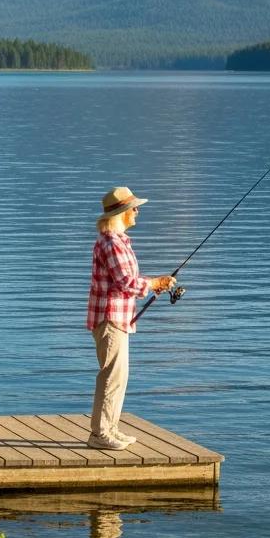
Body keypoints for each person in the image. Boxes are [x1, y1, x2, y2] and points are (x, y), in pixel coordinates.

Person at [86, 187, 175, 451]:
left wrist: (154, 284)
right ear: (122, 213)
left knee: (119, 376)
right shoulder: (112, 243)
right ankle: (100, 433)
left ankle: (110, 428)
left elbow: (128, 281)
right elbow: (125, 282)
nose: (137, 211)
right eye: (133, 208)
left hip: (118, 318)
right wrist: (155, 283)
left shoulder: (117, 241)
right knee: (112, 376)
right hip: (110, 318)